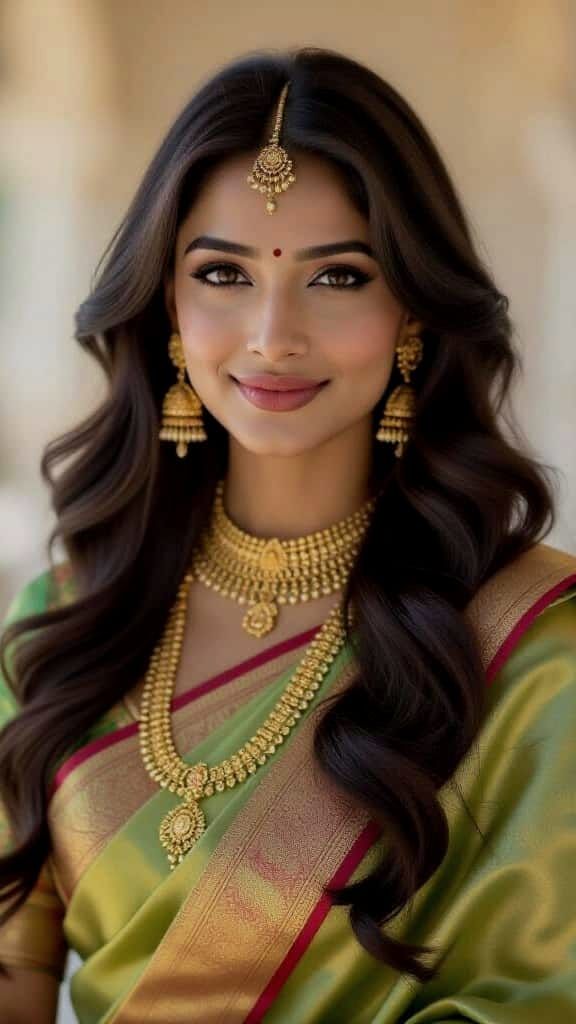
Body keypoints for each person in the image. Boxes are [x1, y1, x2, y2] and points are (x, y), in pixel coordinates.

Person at [0, 46, 575, 1024]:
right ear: (169, 307)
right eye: (222, 271)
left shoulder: (527, 646)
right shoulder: (68, 613)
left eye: (339, 276)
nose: (272, 333)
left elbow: (535, 999)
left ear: (413, 312)